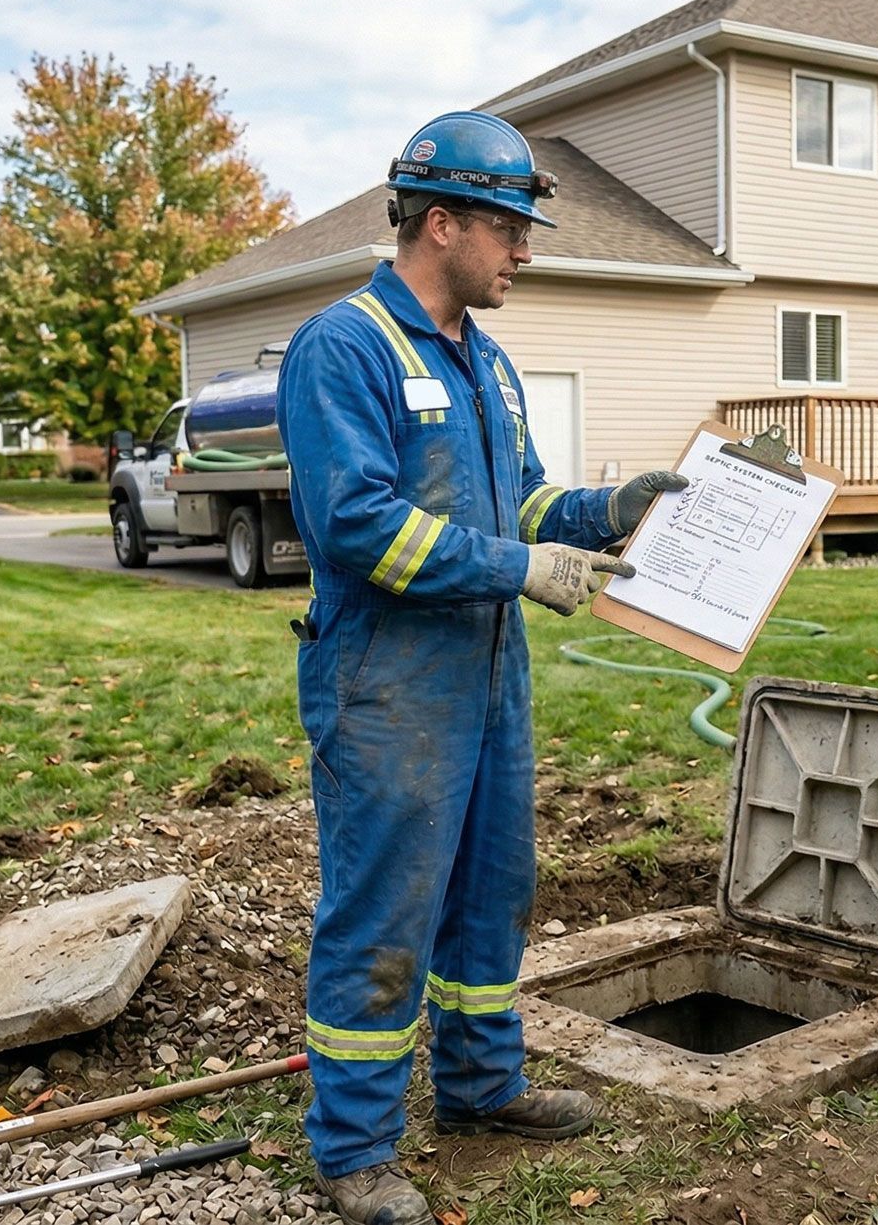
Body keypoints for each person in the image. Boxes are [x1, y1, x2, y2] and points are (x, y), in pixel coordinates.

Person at [276, 110, 687, 1225]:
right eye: (509, 227)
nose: (525, 250)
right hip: (385, 684)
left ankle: (479, 1089)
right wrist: (517, 566)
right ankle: (355, 1147)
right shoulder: (347, 345)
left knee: (489, 897)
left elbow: (531, 498)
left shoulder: (489, 361)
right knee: (383, 909)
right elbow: (356, 525)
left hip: (486, 679)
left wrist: (615, 510)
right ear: (442, 222)